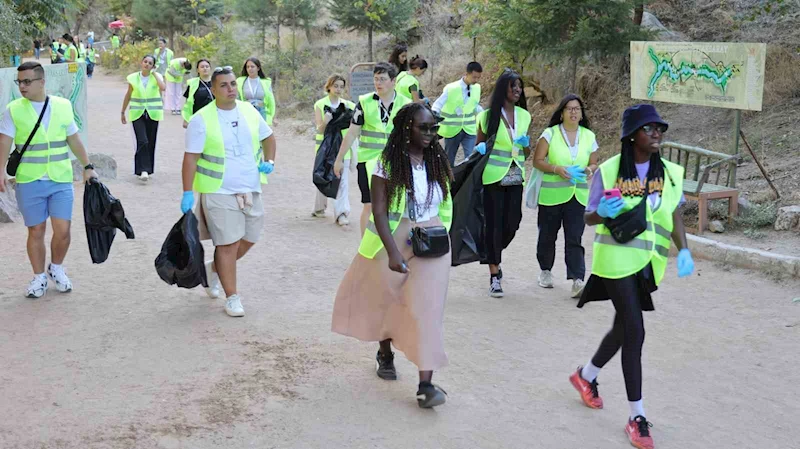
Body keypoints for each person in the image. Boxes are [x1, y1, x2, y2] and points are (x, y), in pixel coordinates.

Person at [568, 104, 694, 449]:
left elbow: (675, 214)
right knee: (635, 330)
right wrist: (599, 213)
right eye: (648, 128)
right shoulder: (609, 170)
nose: (656, 134)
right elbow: (589, 216)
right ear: (632, 135)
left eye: (659, 129)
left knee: (624, 327)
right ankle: (636, 416)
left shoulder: (669, 173)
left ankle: (586, 376)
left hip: (647, 264)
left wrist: (683, 249)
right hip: (614, 261)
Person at [332, 102, 452, 408]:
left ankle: (426, 385)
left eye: (432, 128)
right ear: (405, 129)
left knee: (428, 310)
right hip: (396, 238)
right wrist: (392, 252)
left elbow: (447, 199)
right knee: (387, 298)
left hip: (433, 239)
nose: (429, 133)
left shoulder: (437, 158)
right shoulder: (387, 162)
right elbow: (381, 211)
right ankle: (384, 351)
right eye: (422, 128)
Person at [181, 66, 277, 318]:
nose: (230, 89)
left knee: (250, 238)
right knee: (227, 243)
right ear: (213, 89)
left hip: (251, 187)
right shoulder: (200, 120)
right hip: (218, 190)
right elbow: (190, 159)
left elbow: (269, 138)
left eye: (233, 84)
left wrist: (271, 160)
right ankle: (232, 297)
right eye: (223, 85)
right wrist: (187, 192)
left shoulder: (249, 111)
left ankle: (214, 270)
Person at [0, 62, 98, 298]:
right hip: (29, 180)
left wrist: (88, 166)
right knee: (36, 230)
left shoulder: (63, 106)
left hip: (60, 178)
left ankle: (56, 268)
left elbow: (74, 139)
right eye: (19, 82)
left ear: (41, 82)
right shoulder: (13, 109)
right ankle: (38, 277)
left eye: (27, 81)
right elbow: (4, 142)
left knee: (63, 230)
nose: (22, 86)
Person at [332, 62, 412, 235]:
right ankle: (364, 250)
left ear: (393, 81)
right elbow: (352, 134)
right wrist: (339, 160)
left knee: (395, 205)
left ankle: (391, 248)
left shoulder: (406, 105)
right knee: (369, 205)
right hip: (368, 162)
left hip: (396, 162)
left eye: (382, 79)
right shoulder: (364, 102)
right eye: (376, 79)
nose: (378, 83)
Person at [532, 94, 599, 298]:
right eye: (569, 108)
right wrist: (556, 169)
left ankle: (578, 279)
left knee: (574, 238)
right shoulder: (550, 134)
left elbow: (594, 163)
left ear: (581, 113)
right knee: (547, 235)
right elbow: (537, 160)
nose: (573, 112)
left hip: (577, 196)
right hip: (551, 196)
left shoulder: (589, 136)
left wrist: (588, 171)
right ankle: (545, 270)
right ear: (561, 113)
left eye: (577, 109)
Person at [474, 69, 531, 298]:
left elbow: (526, 152)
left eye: (519, 86)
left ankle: (492, 251)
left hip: (515, 174)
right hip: (493, 176)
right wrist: (479, 148)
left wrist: (525, 144)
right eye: (512, 86)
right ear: (502, 89)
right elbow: (479, 148)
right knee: (494, 225)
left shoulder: (524, 116)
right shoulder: (487, 116)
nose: (517, 90)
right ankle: (494, 273)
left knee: (512, 223)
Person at [312, 74, 355, 225]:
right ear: (329, 86)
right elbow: (319, 130)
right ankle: (319, 208)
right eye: (335, 86)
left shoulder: (348, 105)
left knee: (342, 181)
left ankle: (341, 213)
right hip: (325, 148)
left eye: (341, 86)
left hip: (343, 148)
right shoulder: (320, 104)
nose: (338, 89)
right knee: (323, 176)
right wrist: (325, 121)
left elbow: (353, 129)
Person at [120, 55, 165, 182]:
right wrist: (122, 111)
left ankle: (146, 169)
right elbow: (128, 95)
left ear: (153, 66)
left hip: (153, 113)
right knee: (142, 140)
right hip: (137, 112)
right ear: (141, 62)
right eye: (145, 61)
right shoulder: (133, 78)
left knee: (150, 141)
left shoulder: (157, 77)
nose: (147, 64)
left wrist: (155, 74)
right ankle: (143, 170)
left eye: (150, 63)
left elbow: (163, 88)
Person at [432, 61, 483, 166]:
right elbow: (438, 103)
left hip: (470, 129)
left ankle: (467, 181)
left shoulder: (477, 88)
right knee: (449, 160)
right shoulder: (451, 88)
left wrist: (484, 113)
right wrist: (434, 115)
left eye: (478, 77)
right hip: (452, 130)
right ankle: (449, 181)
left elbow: (474, 105)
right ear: (467, 74)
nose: (476, 80)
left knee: (472, 158)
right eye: (474, 77)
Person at [237, 58, 276, 125]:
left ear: (258, 68)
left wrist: (272, 115)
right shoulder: (240, 82)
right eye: (248, 67)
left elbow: (271, 100)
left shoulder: (266, 82)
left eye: (252, 66)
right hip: (247, 112)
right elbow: (237, 99)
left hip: (262, 111)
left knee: (262, 134)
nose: (250, 69)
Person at [182, 59, 214, 127]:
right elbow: (188, 104)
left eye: (207, 66)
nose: (205, 68)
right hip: (198, 117)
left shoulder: (217, 82)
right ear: (198, 70)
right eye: (202, 67)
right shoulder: (192, 83)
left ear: (210, 68)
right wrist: (186, 119)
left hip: (214, 116)